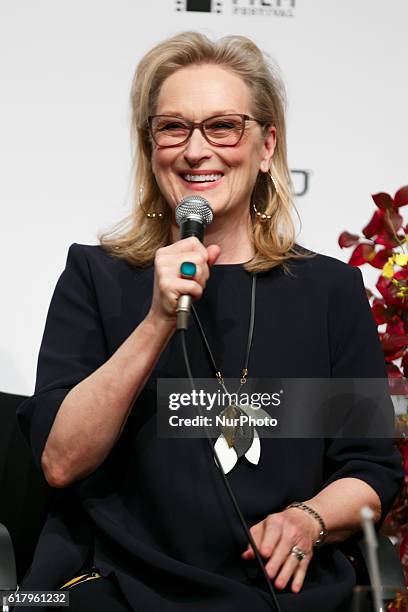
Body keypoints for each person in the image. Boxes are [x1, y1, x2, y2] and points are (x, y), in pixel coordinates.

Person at [16, 31, 403, 612]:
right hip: (119, 588)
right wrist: (155, 318)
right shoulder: (96, 276)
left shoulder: (329, 291)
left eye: (223, 126)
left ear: (266, 145)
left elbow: (371, 469)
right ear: (151, 147)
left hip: (279, 592)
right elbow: (60, 462)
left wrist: (311, 518)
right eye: (173, 127)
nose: (196, 150)